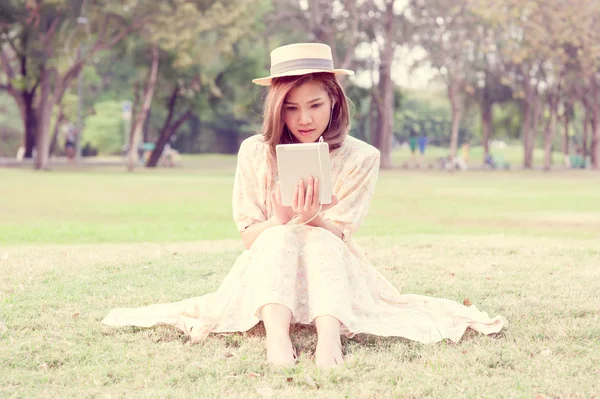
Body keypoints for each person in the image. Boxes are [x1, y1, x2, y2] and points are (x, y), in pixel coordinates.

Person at [102, 43, 506, 368]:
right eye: (291, 108)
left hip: (331, 263)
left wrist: (313, 218)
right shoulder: (255, 153)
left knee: (320, 240)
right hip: (269, 266)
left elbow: (343, 234)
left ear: (333, 100)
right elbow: (248, 238)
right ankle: (277, 339)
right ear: (278, 107)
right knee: (278, 237)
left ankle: (329, 340)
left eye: (314, 104)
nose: (304, 119)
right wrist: (280, 218)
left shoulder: (361, 157)